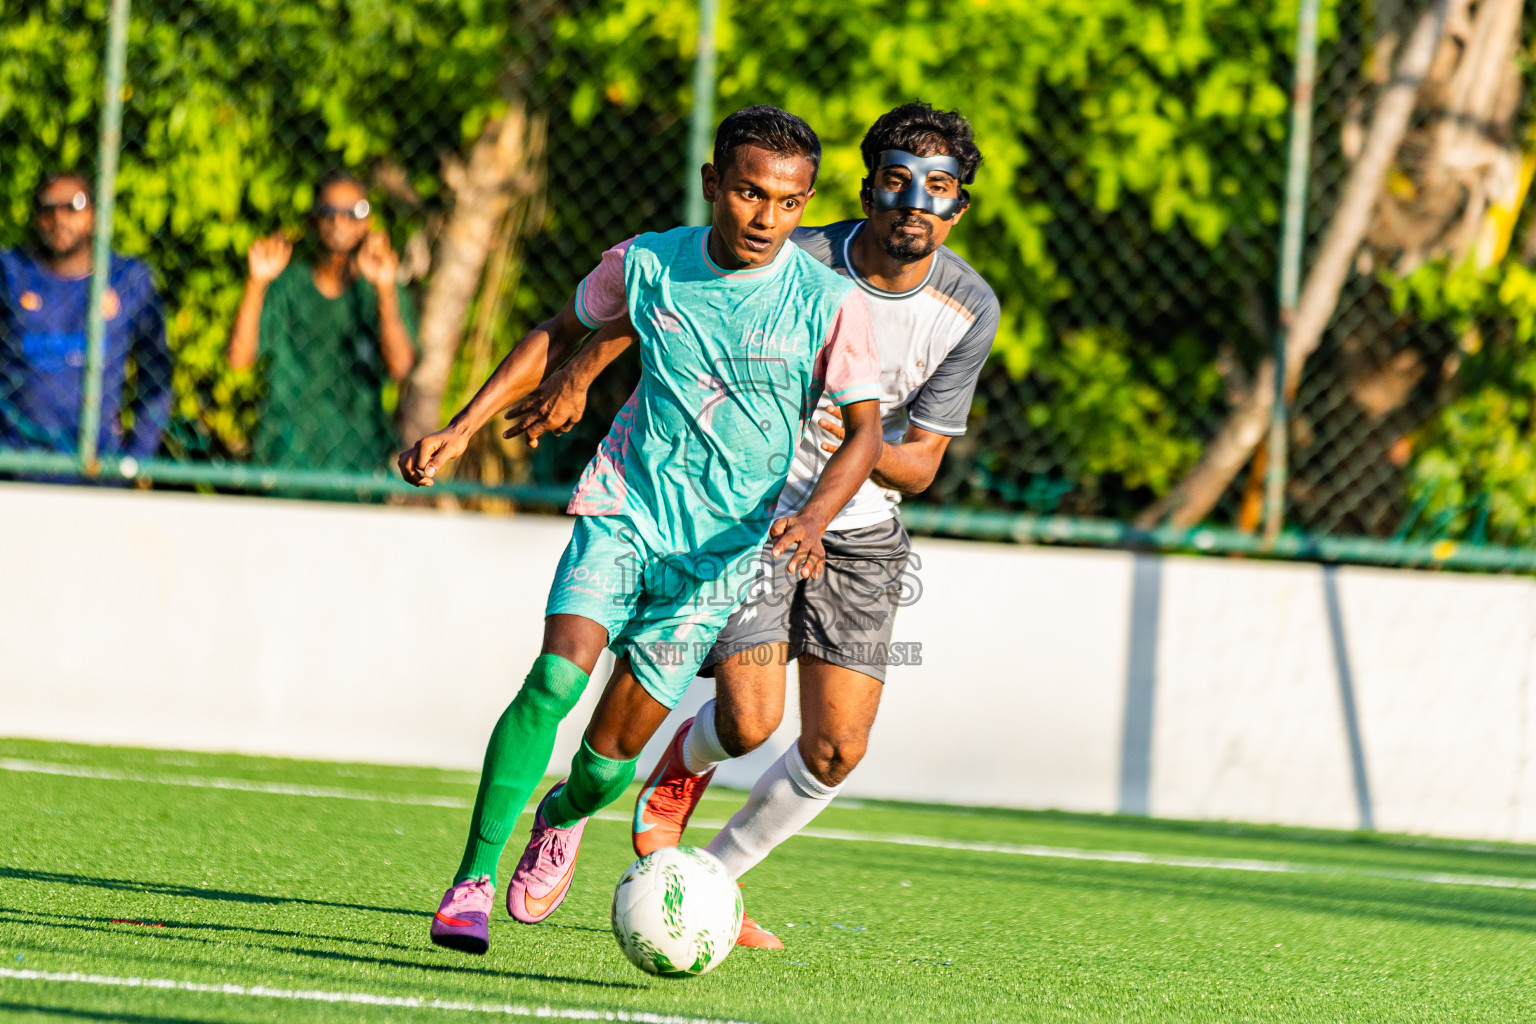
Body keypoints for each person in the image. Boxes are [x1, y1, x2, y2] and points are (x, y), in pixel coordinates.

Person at [505, 102, 999, 949]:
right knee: (747, 723)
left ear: (958, 207)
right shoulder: (792, 247)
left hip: (863, 529)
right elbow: (654, 303)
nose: (915, 204)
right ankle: (663, 780)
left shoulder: (969, 307)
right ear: (868, 188)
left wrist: (861, 437)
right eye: (897, 182)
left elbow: (918, 464)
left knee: (838, 748)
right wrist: (580, 371)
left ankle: (709, 881)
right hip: (752, 512)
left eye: (940, 190)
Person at [398, 105, 885, 957]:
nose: (765, 217)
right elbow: (560, 332)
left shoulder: (829, 304)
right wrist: (463, 427)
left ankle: (559, 816)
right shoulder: (649, 262)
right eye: (746, 192)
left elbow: (867, 431)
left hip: (720, 559)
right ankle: (469, 881)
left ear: (806, 203)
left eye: (788, 201)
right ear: (712, 184)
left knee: (605, 759)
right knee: (554, 677)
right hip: (624, 509)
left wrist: (811, 518)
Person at [228, 171, 416, 473]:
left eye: (354, 212)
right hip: (286, 456)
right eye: (329, 212)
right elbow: (238, 358)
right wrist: (256, 283)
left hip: (360, 460)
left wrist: (384, 289)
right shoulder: (288, 285)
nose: (340, 222)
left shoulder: (380, 290)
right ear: (313, 219)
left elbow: (401, 367)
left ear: (369, 221)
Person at [0, 172, 170, 461]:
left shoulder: (127, 279)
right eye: (47, 207)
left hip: (96, 467)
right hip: (17, 463)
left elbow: (157, 372)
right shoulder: (10, 273)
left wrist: (136, 457)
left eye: (73, 206)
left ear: (94, 213)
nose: (59, 218)